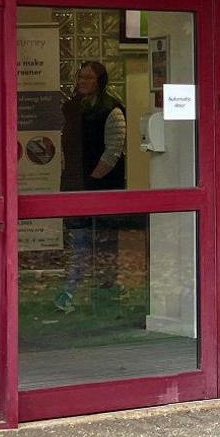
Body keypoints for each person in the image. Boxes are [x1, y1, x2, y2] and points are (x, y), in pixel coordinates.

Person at [59, 61, 126, 313]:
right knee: (79, 240)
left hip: (101, 187)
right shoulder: (72, 107)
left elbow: (113, 152)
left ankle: (105, 292)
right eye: (80, 77)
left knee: (105, 242)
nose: (82, 81)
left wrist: (93, 181)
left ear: (100, 81)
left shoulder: (112, 110)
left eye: (89, 78)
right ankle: (72, 289)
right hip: (75, 184)